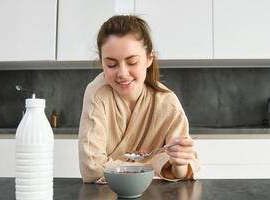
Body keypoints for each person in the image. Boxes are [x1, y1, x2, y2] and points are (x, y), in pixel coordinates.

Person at [78, 15, 200, 184]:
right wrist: (154, 164)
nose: (122, 73)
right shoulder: (97, 94)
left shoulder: (167, 103)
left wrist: (179, 162)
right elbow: (92, 168)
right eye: (111, 64)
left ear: (149, 59)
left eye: (132, 62)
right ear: (101, 63)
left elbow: (179, 171)